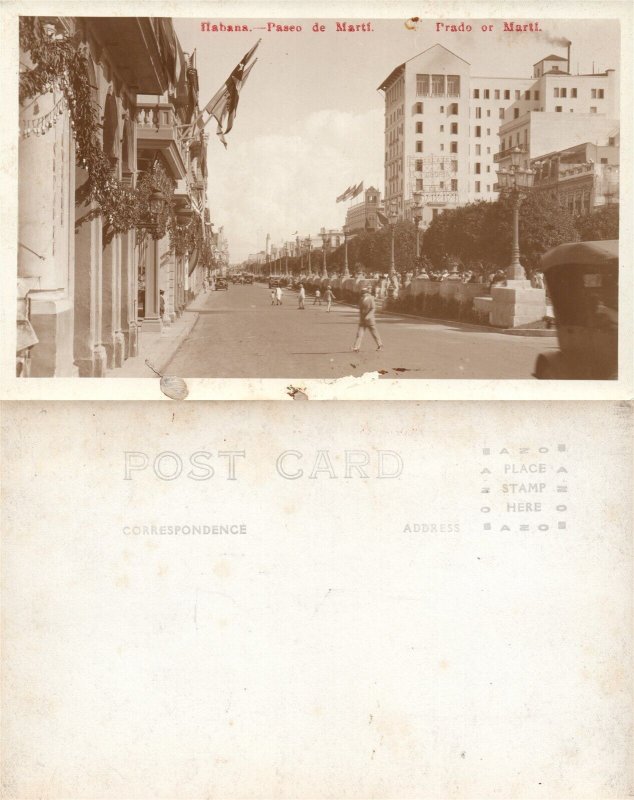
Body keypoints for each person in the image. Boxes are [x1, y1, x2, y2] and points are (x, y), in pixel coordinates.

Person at [352, 286, 383, 352]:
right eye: (362, 293)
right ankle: (356, 347)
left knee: (374, 334)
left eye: (364, 293)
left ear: (367, 293)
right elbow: (360, 309)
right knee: (359, 334)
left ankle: (380, 345)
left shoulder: (371, 299)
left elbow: (373, 308)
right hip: (362, 320)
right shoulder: (361, 299)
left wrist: (368, 316)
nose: (363, 294)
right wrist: (361, 317)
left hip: (370, 320)